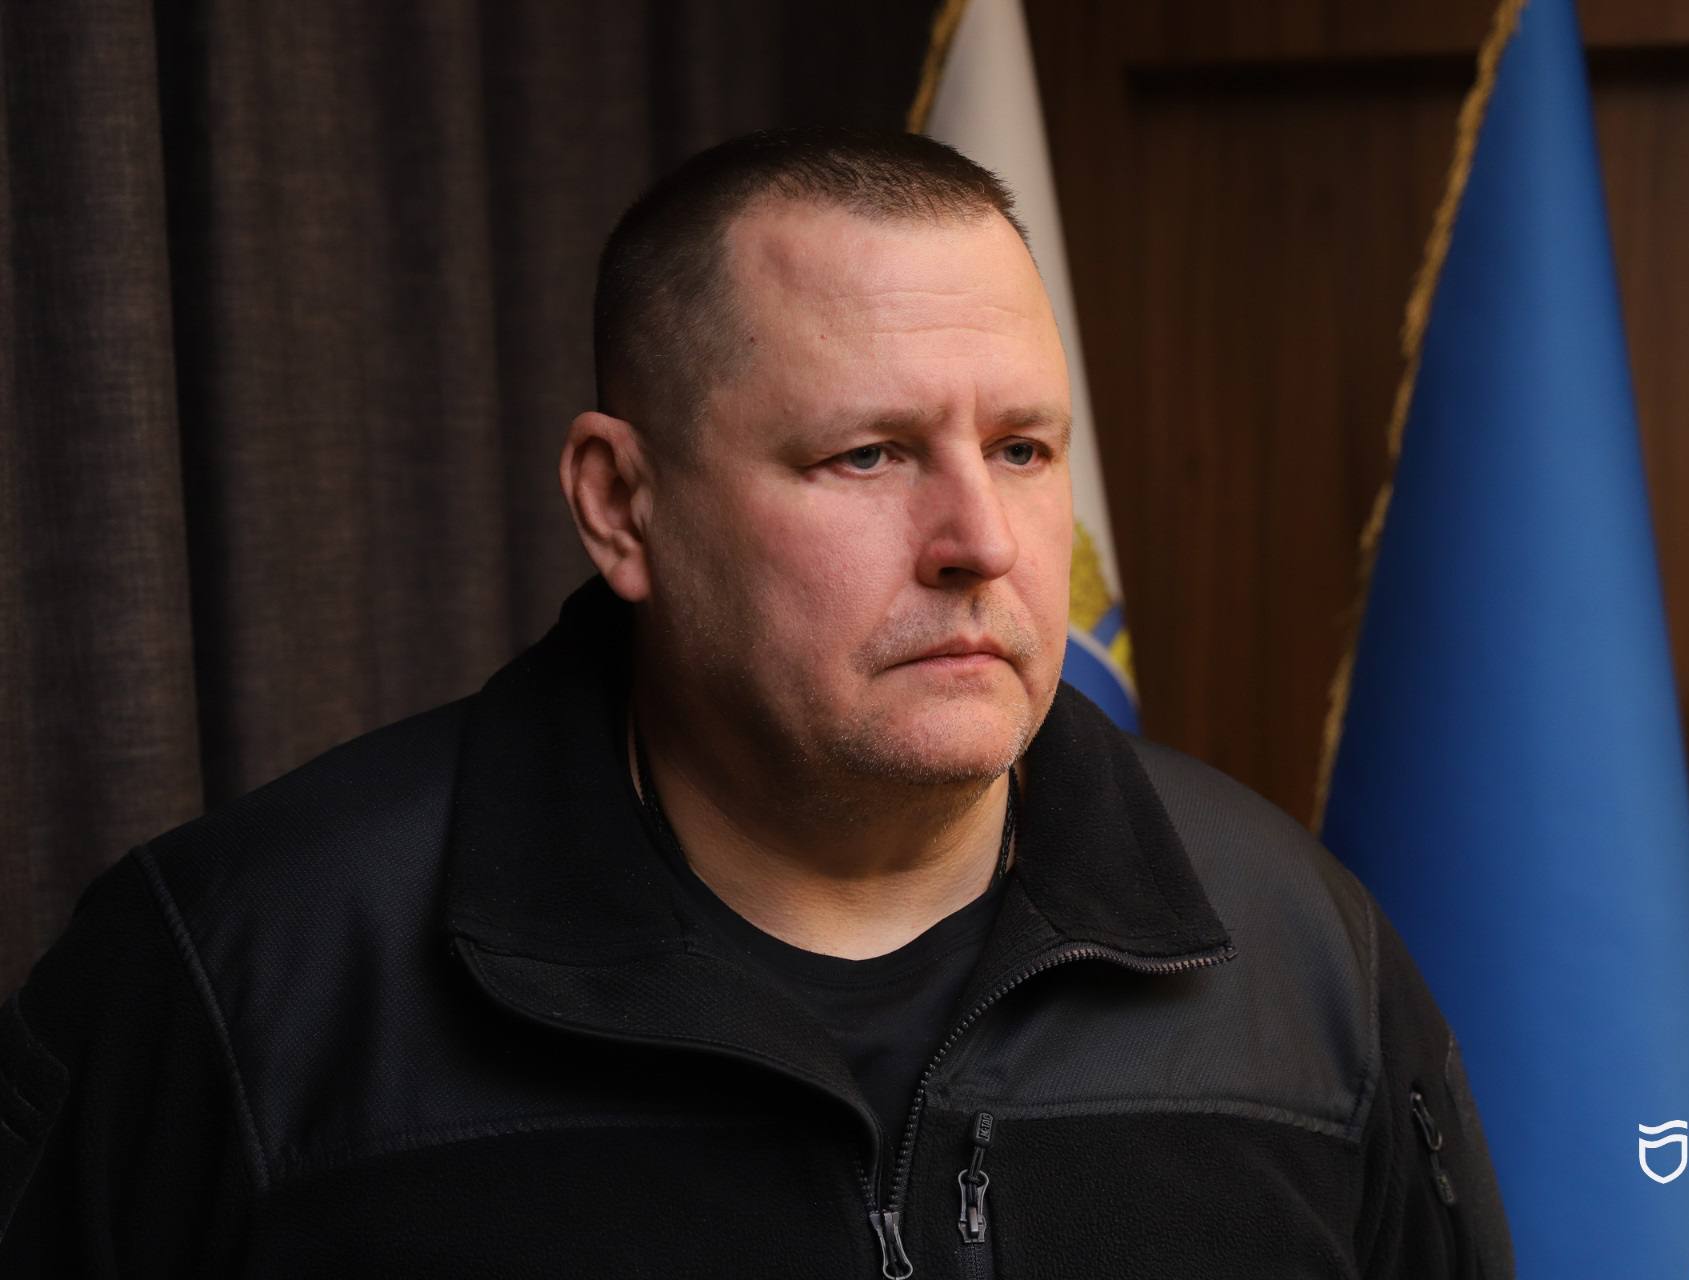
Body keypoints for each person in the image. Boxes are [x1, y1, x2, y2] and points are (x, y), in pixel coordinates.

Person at [0, 126, 1513, 1277]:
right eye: (868, 454)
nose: (981, 541)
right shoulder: (242, 979)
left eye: (1024, 449)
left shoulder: (1301, 955)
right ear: (621, 504)